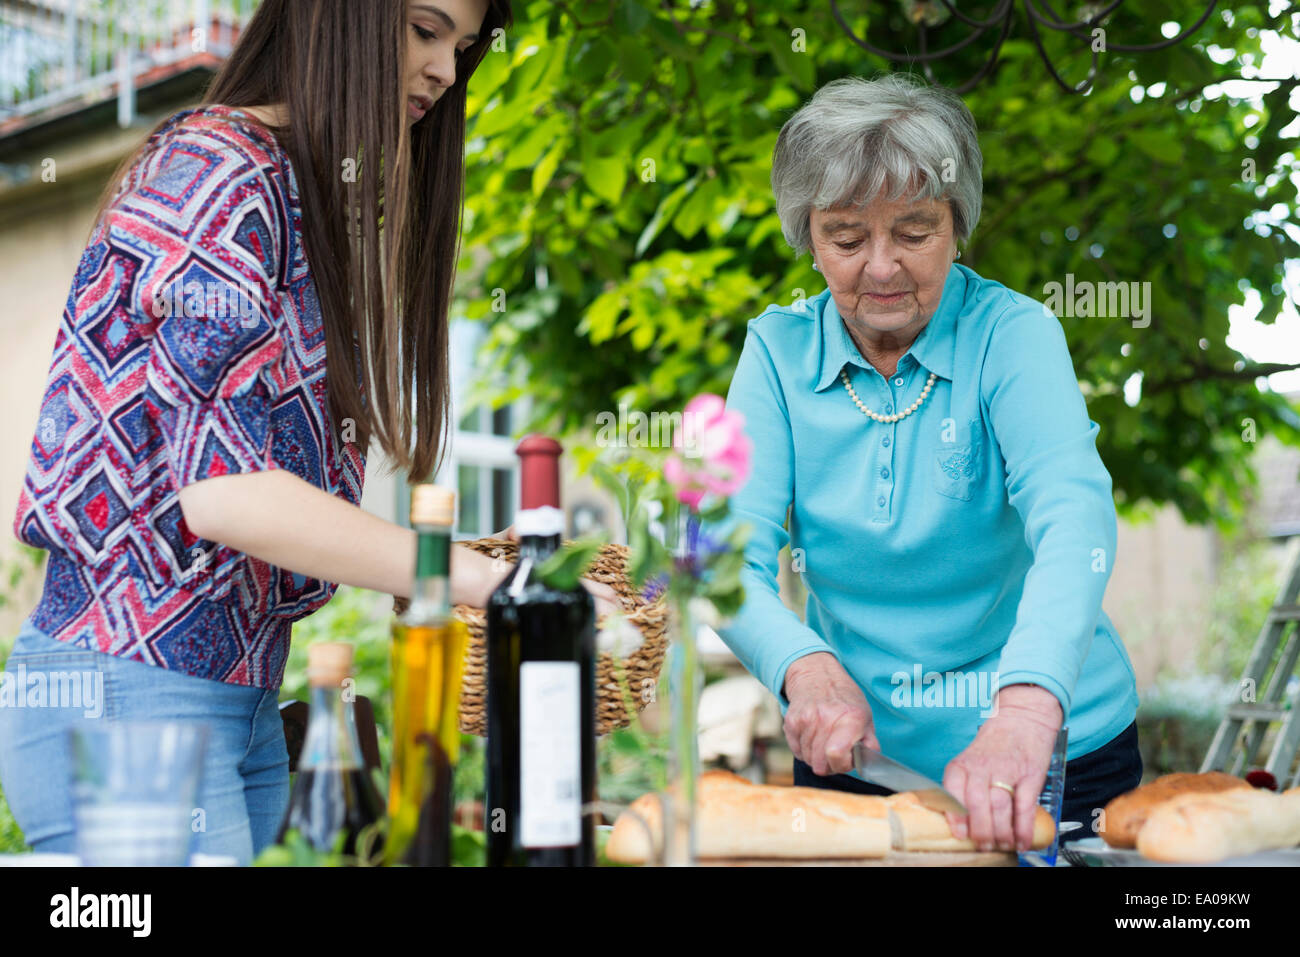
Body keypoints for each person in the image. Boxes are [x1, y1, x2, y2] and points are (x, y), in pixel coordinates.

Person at [0, 0, 612, 865]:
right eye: (424, 29)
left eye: (464, 48)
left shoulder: (294, 187)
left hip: (231, 701)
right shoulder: (214, 174)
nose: (445, 70)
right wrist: (473, 577)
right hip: (127, 698)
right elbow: (225, 491)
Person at [709, 74, 1141, 853]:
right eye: (846, 237)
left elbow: (1076, 523)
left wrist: (1026, 707)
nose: (881, 267)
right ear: (808, 236)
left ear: (958, 224)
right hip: (861, 757)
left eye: (914, 232)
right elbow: (719, 553)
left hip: (1054, 751)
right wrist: (802, 666)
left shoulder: (1014, 335)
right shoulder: (774, 353)